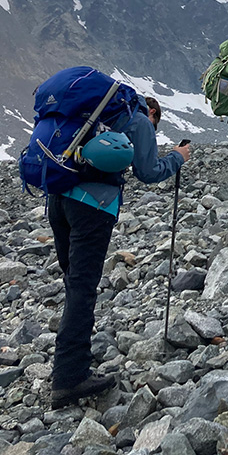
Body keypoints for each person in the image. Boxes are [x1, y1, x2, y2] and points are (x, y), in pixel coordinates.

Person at [48, 96, 190, 409]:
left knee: (73, 283)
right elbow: (148, 170)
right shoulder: (138, 120)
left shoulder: (90, 110)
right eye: (155, 125)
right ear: (152, 113)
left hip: (57, 198)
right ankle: (69, 379)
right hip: (92, 205)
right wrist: (178, 157)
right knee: (83, 289)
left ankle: (69, 362)